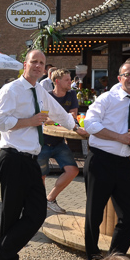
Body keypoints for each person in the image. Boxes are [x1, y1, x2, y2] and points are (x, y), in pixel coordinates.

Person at [0, 50, 86, 260]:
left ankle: (0, 254)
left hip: (31, 159)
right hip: (12, 158)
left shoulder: (40, 91)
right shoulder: (11, 90)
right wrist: (29, 121)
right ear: (25, 64)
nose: (38, 65)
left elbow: (59, 113)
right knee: (11, 214)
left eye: (42, 63)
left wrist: (76, 127)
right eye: (34, 61)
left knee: (38, 212)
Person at [83, 61, 130, 260]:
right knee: (94, 216)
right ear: (119, 78)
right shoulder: (107, 98)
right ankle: (93, 259)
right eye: (127, 75)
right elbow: (90, 124)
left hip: (124, 163)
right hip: (100, 161)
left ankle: (115, 258)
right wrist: (119, 137)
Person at [39, 68, 80, 215]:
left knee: (73, 170)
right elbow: (44, 119)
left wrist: (55, 120)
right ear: (57, 81)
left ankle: (50, 199)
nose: (71, 82)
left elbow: (73, 117)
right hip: (42, 142)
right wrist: (61, 120)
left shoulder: (71, 94)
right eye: (67, 80)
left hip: (59, 143)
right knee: (41, 175)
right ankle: (39, 203)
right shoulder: (47, 96)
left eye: (70, 79)